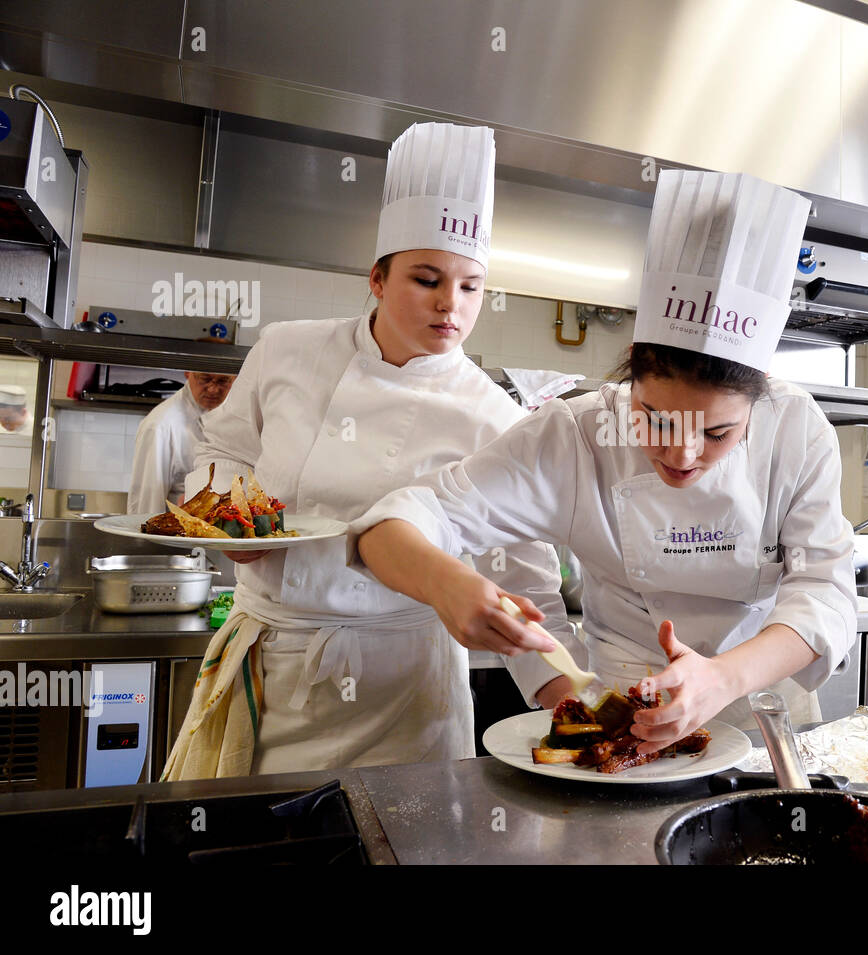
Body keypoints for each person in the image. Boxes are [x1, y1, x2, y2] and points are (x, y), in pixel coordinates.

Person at [355, 170, 857, 753]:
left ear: (760, 398)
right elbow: (391, 524)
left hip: (763, 712)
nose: (682, 455)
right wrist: (446, 582)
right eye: (657, 419)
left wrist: (722, 679)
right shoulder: (576, 434)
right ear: (629, 381)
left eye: (717, 433)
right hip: (622, 721)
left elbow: (824, 592)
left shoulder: (796, 428)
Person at [163, 121, 573, 779]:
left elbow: (524, 581)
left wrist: (567, 699)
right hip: (265, 660)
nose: (451, 305)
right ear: (377, 279)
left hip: (400, 694)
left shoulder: (493, 416)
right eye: (427, 279)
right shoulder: (286, 349)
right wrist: (225, 522)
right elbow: (224, 450)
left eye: (471, 286)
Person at [127, 362, 236, 514]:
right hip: (177, 533)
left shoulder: (238, 417)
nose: (213, 389)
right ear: (187, 372)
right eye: (204, 379)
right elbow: (146, 505)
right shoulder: (159, 426)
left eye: (223, 381)